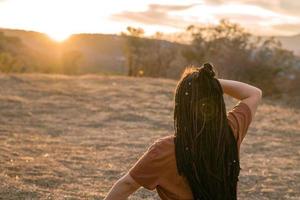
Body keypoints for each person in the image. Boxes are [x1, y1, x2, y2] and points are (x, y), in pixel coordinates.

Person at [104, 63, 262, 200]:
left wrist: (198, 84)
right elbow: (254, 93)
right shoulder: (230, 131)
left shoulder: (164, 150)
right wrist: (210, 84)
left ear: (181, 106)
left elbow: (126, 184)